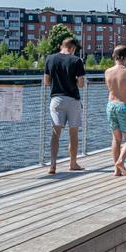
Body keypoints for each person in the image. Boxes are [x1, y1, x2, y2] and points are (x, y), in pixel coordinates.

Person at [43, 36, 86, 175]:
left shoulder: (50, 59)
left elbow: (46, 81)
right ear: (73, 48)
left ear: (62, 46)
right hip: (73, 100)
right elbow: (81, 84)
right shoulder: (77, 60)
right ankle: (73, 163)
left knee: (55, 133)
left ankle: (53, 165)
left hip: (56, 99)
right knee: (73, 133)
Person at [104, 46, 126, 177]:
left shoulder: (107, 72)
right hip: (124, 106)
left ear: (114, 56)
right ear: (125, 57)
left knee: (116, 139)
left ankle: (116, 170)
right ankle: (120, 161)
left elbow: (110, 89)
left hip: (111, 105)